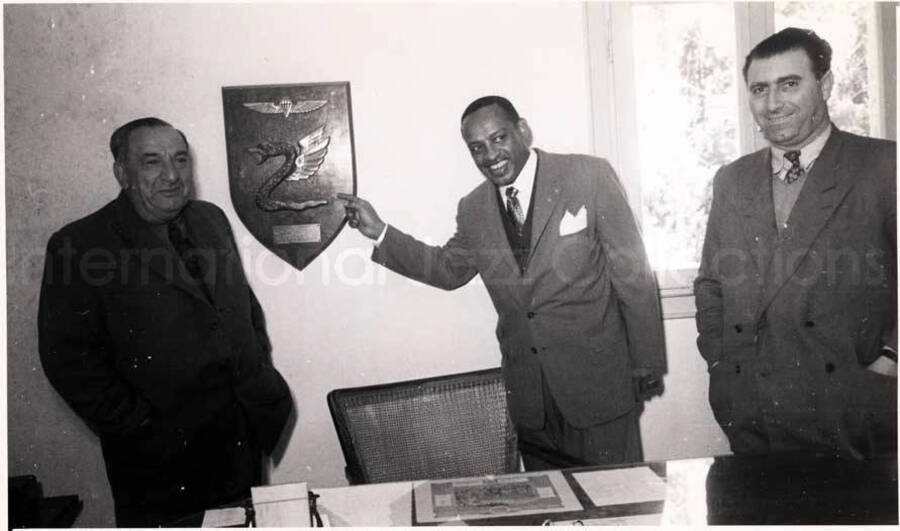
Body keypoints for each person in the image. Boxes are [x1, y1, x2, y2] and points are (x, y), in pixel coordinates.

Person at [339, 96, 665, 469]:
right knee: (550, 516)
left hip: (599, 389)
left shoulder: (587, 176)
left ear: (522, 131)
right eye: (476, 148)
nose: (490, 155)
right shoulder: (473, 208)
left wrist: (646, 361)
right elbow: (449, 270)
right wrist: (380, 232)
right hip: (531, 403)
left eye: (498, 138)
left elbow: (633, 272)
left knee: (615, 511)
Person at [38, 117, 294, 526]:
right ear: (123, 173)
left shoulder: (211, 219)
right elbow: (68, 362)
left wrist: (258, 370)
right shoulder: (80, 244)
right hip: (160, 464)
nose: (172, 175)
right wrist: (143, 429)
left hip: (240, 440)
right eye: (152, 162)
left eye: (180, 159)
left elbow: (241, 307)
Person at [694, 28, 897, 458]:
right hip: (752, 412)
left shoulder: (883, 165)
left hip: (853, 412)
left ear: (825, 85)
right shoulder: (732, 179)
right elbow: (711, 283)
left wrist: (889, 362)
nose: (772, 104)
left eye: (790, 84)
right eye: (759, 89)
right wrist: (719, 363)